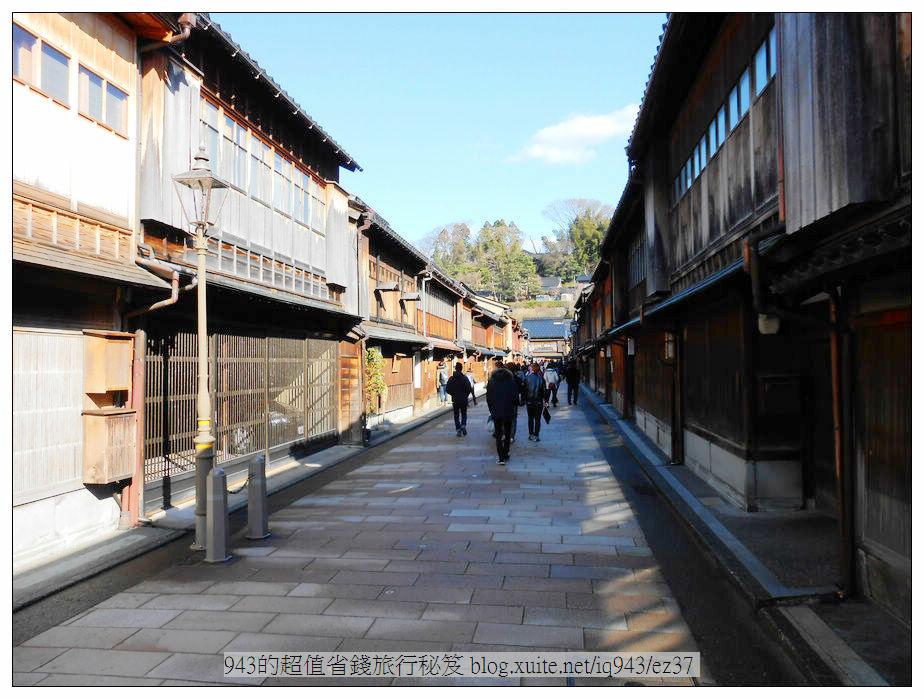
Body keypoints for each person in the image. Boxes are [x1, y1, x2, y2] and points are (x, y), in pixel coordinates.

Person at [486, 363, 519, 464]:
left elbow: (489, 398)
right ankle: (506, 452)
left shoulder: (491, 382)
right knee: (508, 433)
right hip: (508, 411)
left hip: (496, 411)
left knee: (498, 434)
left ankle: (501, 458)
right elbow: (515, 397)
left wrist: (491, 410)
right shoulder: (511, 382)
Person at [445, 362, 476, 436]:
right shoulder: (464, 378)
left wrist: (453, 394)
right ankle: (463, 425)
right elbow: (469, 388)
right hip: (463, 399)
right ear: (461, 369)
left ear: (455, 368)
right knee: (464, 413)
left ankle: (458, 429)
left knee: (456, 415)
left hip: (455, 399)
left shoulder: (451, 378)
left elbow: (447, 389)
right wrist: (465, 395)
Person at [524, 363, 549, 441]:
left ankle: (530, 434)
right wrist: (546, 401)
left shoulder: (527, 378)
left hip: (529, 402)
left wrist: (525, 399)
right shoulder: (541, 379)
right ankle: (536, 435)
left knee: (530, 419)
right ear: (538, 370)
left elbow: (524, 390)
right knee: (537, 419)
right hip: (538, 402)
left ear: (532, 369)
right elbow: (544, 391)